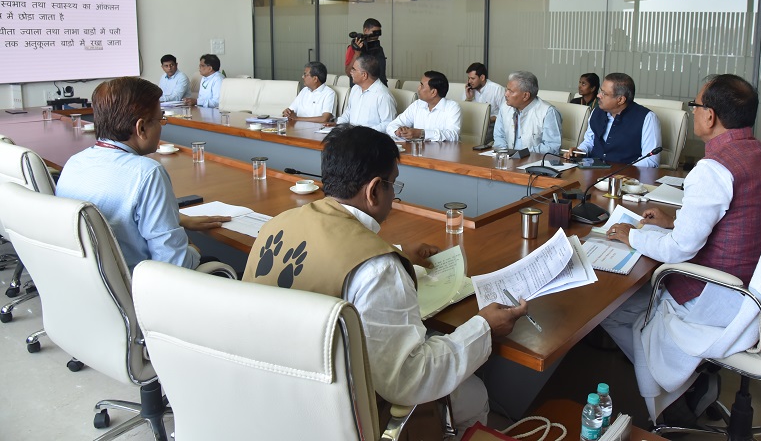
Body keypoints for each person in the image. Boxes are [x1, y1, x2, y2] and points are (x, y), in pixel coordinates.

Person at [242, 124, 526, 432]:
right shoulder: (379, 268)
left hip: (262, 392)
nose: (394, 196)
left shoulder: (276, 225)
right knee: (474, 393)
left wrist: (397, 251)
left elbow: (329, 254)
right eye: (393, 185)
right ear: (374, 190)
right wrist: (484, 327)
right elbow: (409, 379)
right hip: (335, 415)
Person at [601, 74, 761, 423]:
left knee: (611, 307)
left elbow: (680, 250)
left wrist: (631, 235)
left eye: (695, 106)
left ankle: (676, 392)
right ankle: (685, 376)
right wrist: (675, 220)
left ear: (710, 116)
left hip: (714, 294)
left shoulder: (713, 169)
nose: (693, 111)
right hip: (752, 285)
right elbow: (737, 218)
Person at [55, 77, 230, 272]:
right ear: (141, 128)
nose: (162, 126)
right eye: (160, 120)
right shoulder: (147, 173)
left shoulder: (74, 163)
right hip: (139, 285)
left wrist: (175, 218)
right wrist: (193, 250)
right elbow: (174, 264)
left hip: (87, 281)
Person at [564, 73, 661, 166]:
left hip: (626, 175)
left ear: (620, 100)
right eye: (600, 91)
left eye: (604, 93)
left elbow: (651, 160)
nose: (598, 95)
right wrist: (580, 151)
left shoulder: (647, 118)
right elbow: (589, 141)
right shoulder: (596, 112)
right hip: (592, 170)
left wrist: (623, 171)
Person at [493, 71, 562, 154]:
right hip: (506, 159)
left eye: (511, 91)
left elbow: (552, 147)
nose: (506, 94)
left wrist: (522, 155)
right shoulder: (505, 107)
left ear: (526, 96)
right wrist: (504, 154)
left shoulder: (548, 112)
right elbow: (499, 136)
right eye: (507, 89)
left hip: (534, 160)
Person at [387, 70, 461, 142]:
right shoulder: (418, 104)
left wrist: (422, 133)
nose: (418, 88)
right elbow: (392, 125)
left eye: (422, 86)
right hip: (418, 149)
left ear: (433, 92)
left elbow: (453, 136)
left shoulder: (452, 107)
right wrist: (398, 131)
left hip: (442, 150)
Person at [333, 54, 396, 132]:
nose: (351, 72)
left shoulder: (383, 95)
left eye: (354, 69)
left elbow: (388, 124)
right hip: (351, 135)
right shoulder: (355, 89)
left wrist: (364, 133)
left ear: (364, 75)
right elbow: (348, 112)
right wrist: (337, 126)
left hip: (370, 137)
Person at [345, 17, 388, 85]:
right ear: (365, 30)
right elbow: (348, 72)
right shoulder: (353, 48)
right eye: (374, 32)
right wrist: (357, 54)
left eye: (378, 33)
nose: (377, 36)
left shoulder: (379, 49)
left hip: (379, 86)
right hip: (360, 88)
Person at [463, 63, 505, 130]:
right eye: (469, 78)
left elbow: (506, 113)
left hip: (492, 125)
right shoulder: (469, 89)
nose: (469, 81)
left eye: (472, 78)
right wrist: (468, 98)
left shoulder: (497, 89)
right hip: (472, 124)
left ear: (482, 77)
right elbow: (463, 111)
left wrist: (489, 120)